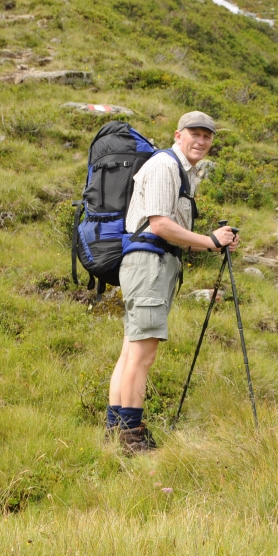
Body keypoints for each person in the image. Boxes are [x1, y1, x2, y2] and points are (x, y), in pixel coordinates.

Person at [106, 111, 240, 453]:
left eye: (207, 136)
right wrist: (210, 240)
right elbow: (160, 225)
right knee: (142, 354)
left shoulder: (182, 171)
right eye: (194, 133)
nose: (201, 140)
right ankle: (131, 435)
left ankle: (116, 427)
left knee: (131, 351)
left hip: (150, 264)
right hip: (149, 263)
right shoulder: (166, 165)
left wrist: (213, 239)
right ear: (177, 135)